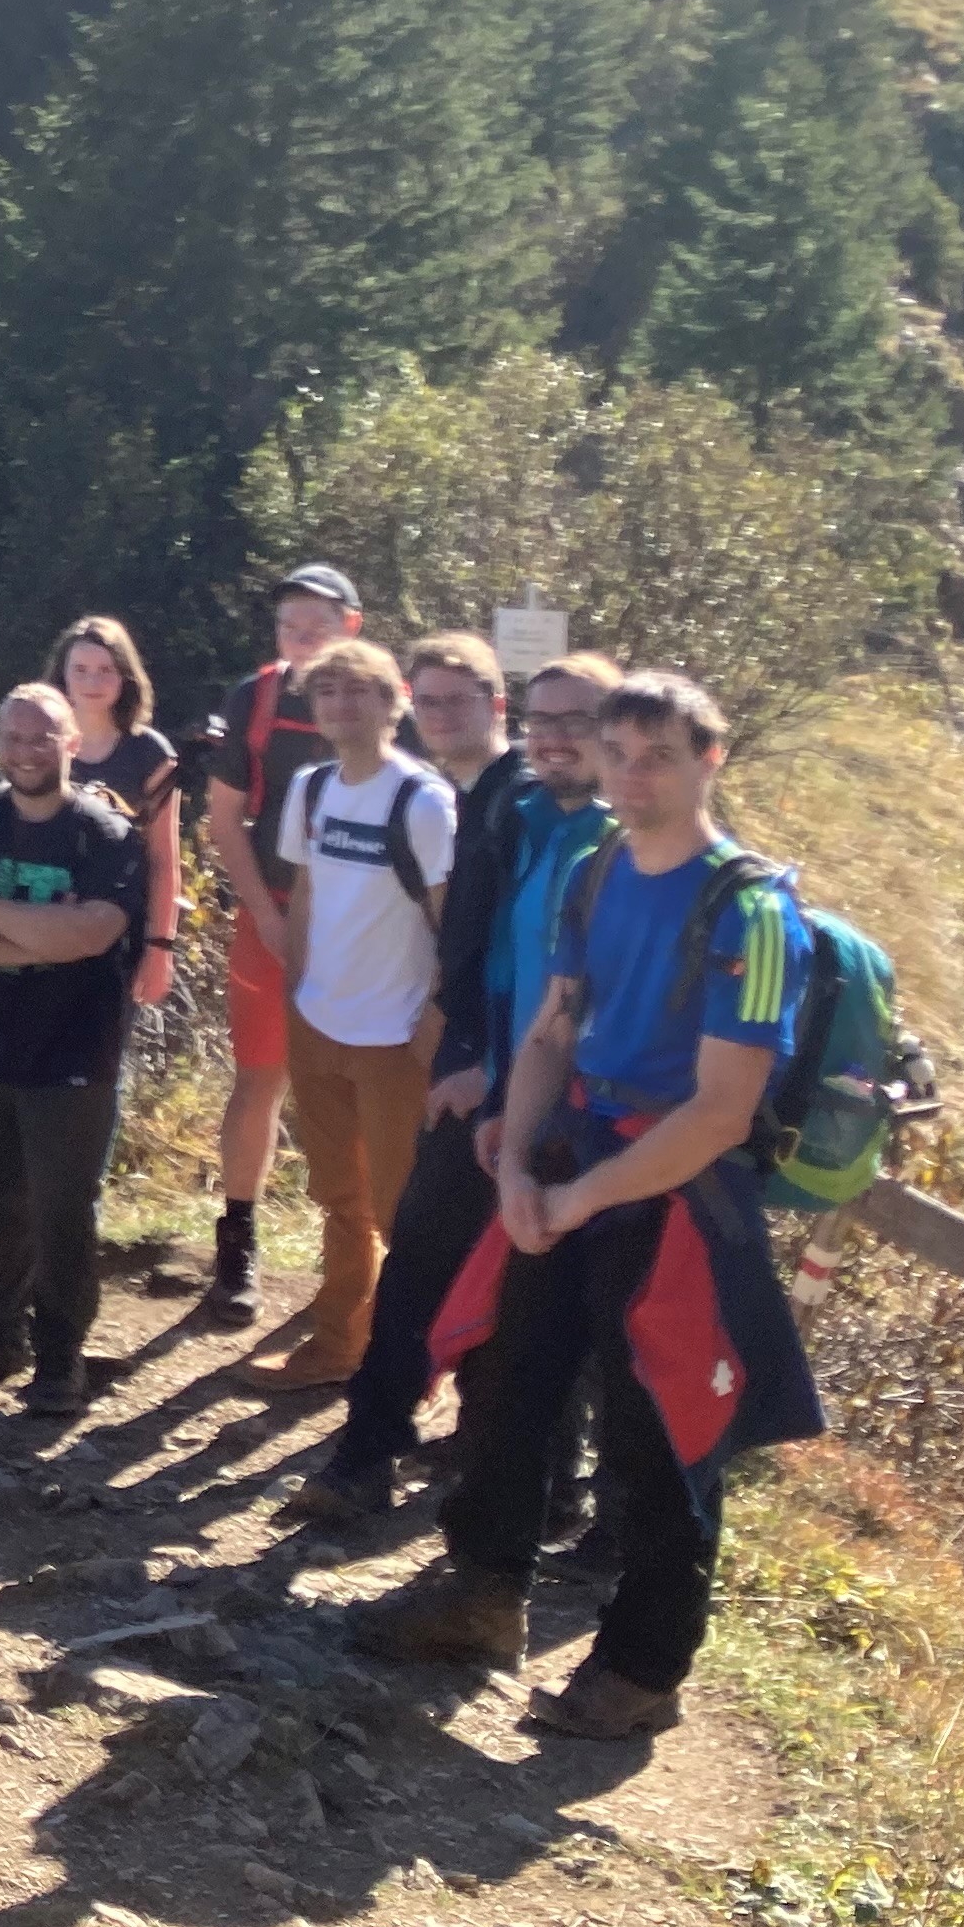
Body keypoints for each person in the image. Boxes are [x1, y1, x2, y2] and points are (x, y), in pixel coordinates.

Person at [357, 670, 825, 1740]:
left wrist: (568, 1198)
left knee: (660, 1432)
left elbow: (716, 1112)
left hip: (674, 1197)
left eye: (658, 756)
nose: (632, 777)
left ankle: (643, 1671)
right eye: (618, 756)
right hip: (570, 1167)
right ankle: (481, 1597)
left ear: (712, 759)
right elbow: (553, 1029)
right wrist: (518, 1166)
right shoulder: (598, 868)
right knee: (513, 1387)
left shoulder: (749, 913)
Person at [293, 650, 620, 1526]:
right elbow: (467, 949)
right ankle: (366, 1454)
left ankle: (545, 1492)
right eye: (542, 722)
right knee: (420, 1265)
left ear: (617, 730)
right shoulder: (511, 809)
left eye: (576, 722)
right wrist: (467, 1054)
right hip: (486, 1090)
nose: (553, 740)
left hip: (586, 1112)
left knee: (547, 1304)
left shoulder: (628, 836)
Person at [0, 685, 147, 1418]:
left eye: (42, 737)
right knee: (0, 1204)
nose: (24, 752)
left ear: (72, 743)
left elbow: (92, 936)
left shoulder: (105, 836)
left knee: (64, 1211)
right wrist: (36, 930)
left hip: (74, 1053)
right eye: (12, 737)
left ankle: (61, 1359)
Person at [239, 638, 457, 1394]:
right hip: (319, 1021)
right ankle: (337, 1346)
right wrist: (298, 994)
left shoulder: (422, 801)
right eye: (326, 692)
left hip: (394, 1034)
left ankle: (417, 1366)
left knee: (402, 1211)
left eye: (356, 691)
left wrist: (437, 1012)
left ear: (393, 701)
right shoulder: (311, 789)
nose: (339, 705)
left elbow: (449, 919)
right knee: (338, 1198)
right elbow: (304, 896)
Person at [199, 562, 373, 1324]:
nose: (301, 641)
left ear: (351, 628)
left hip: (361, 928)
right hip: (267, 914)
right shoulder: (257, 698)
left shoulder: (379, 695)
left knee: (358, 1087)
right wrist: (265, 918)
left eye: (316, 627)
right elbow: (224, 818)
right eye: (288, 627)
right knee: (260, 1078)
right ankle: (236, 1244)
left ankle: (357, 1258)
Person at [48, 617, 182, 1016]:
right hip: (39, 918)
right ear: (62, 677)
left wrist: (161, 948)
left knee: (102, 1063)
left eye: (105, 670)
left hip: (118, 934)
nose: (93, 681)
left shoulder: (150, 754)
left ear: (125, 677)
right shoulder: (40, 741)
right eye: (81, 670)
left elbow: (163, 860)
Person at [407, 631, 511, 796]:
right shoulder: (427, 793)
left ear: (497, 706)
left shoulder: (524, 798)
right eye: (427, 702)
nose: (441, 713)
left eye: (457, 700)